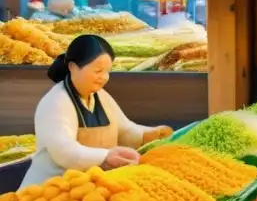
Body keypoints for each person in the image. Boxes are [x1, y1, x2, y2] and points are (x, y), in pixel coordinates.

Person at [21, 35, 173, 188]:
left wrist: (148, 135)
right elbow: (64, 150)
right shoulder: (56, 102)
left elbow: (124, 128)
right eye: (98, 71)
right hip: (50, 189)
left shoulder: (100, 96)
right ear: (73, 67)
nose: (104, 77)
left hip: (92, 187)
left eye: (107, 71)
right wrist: (105, 156)